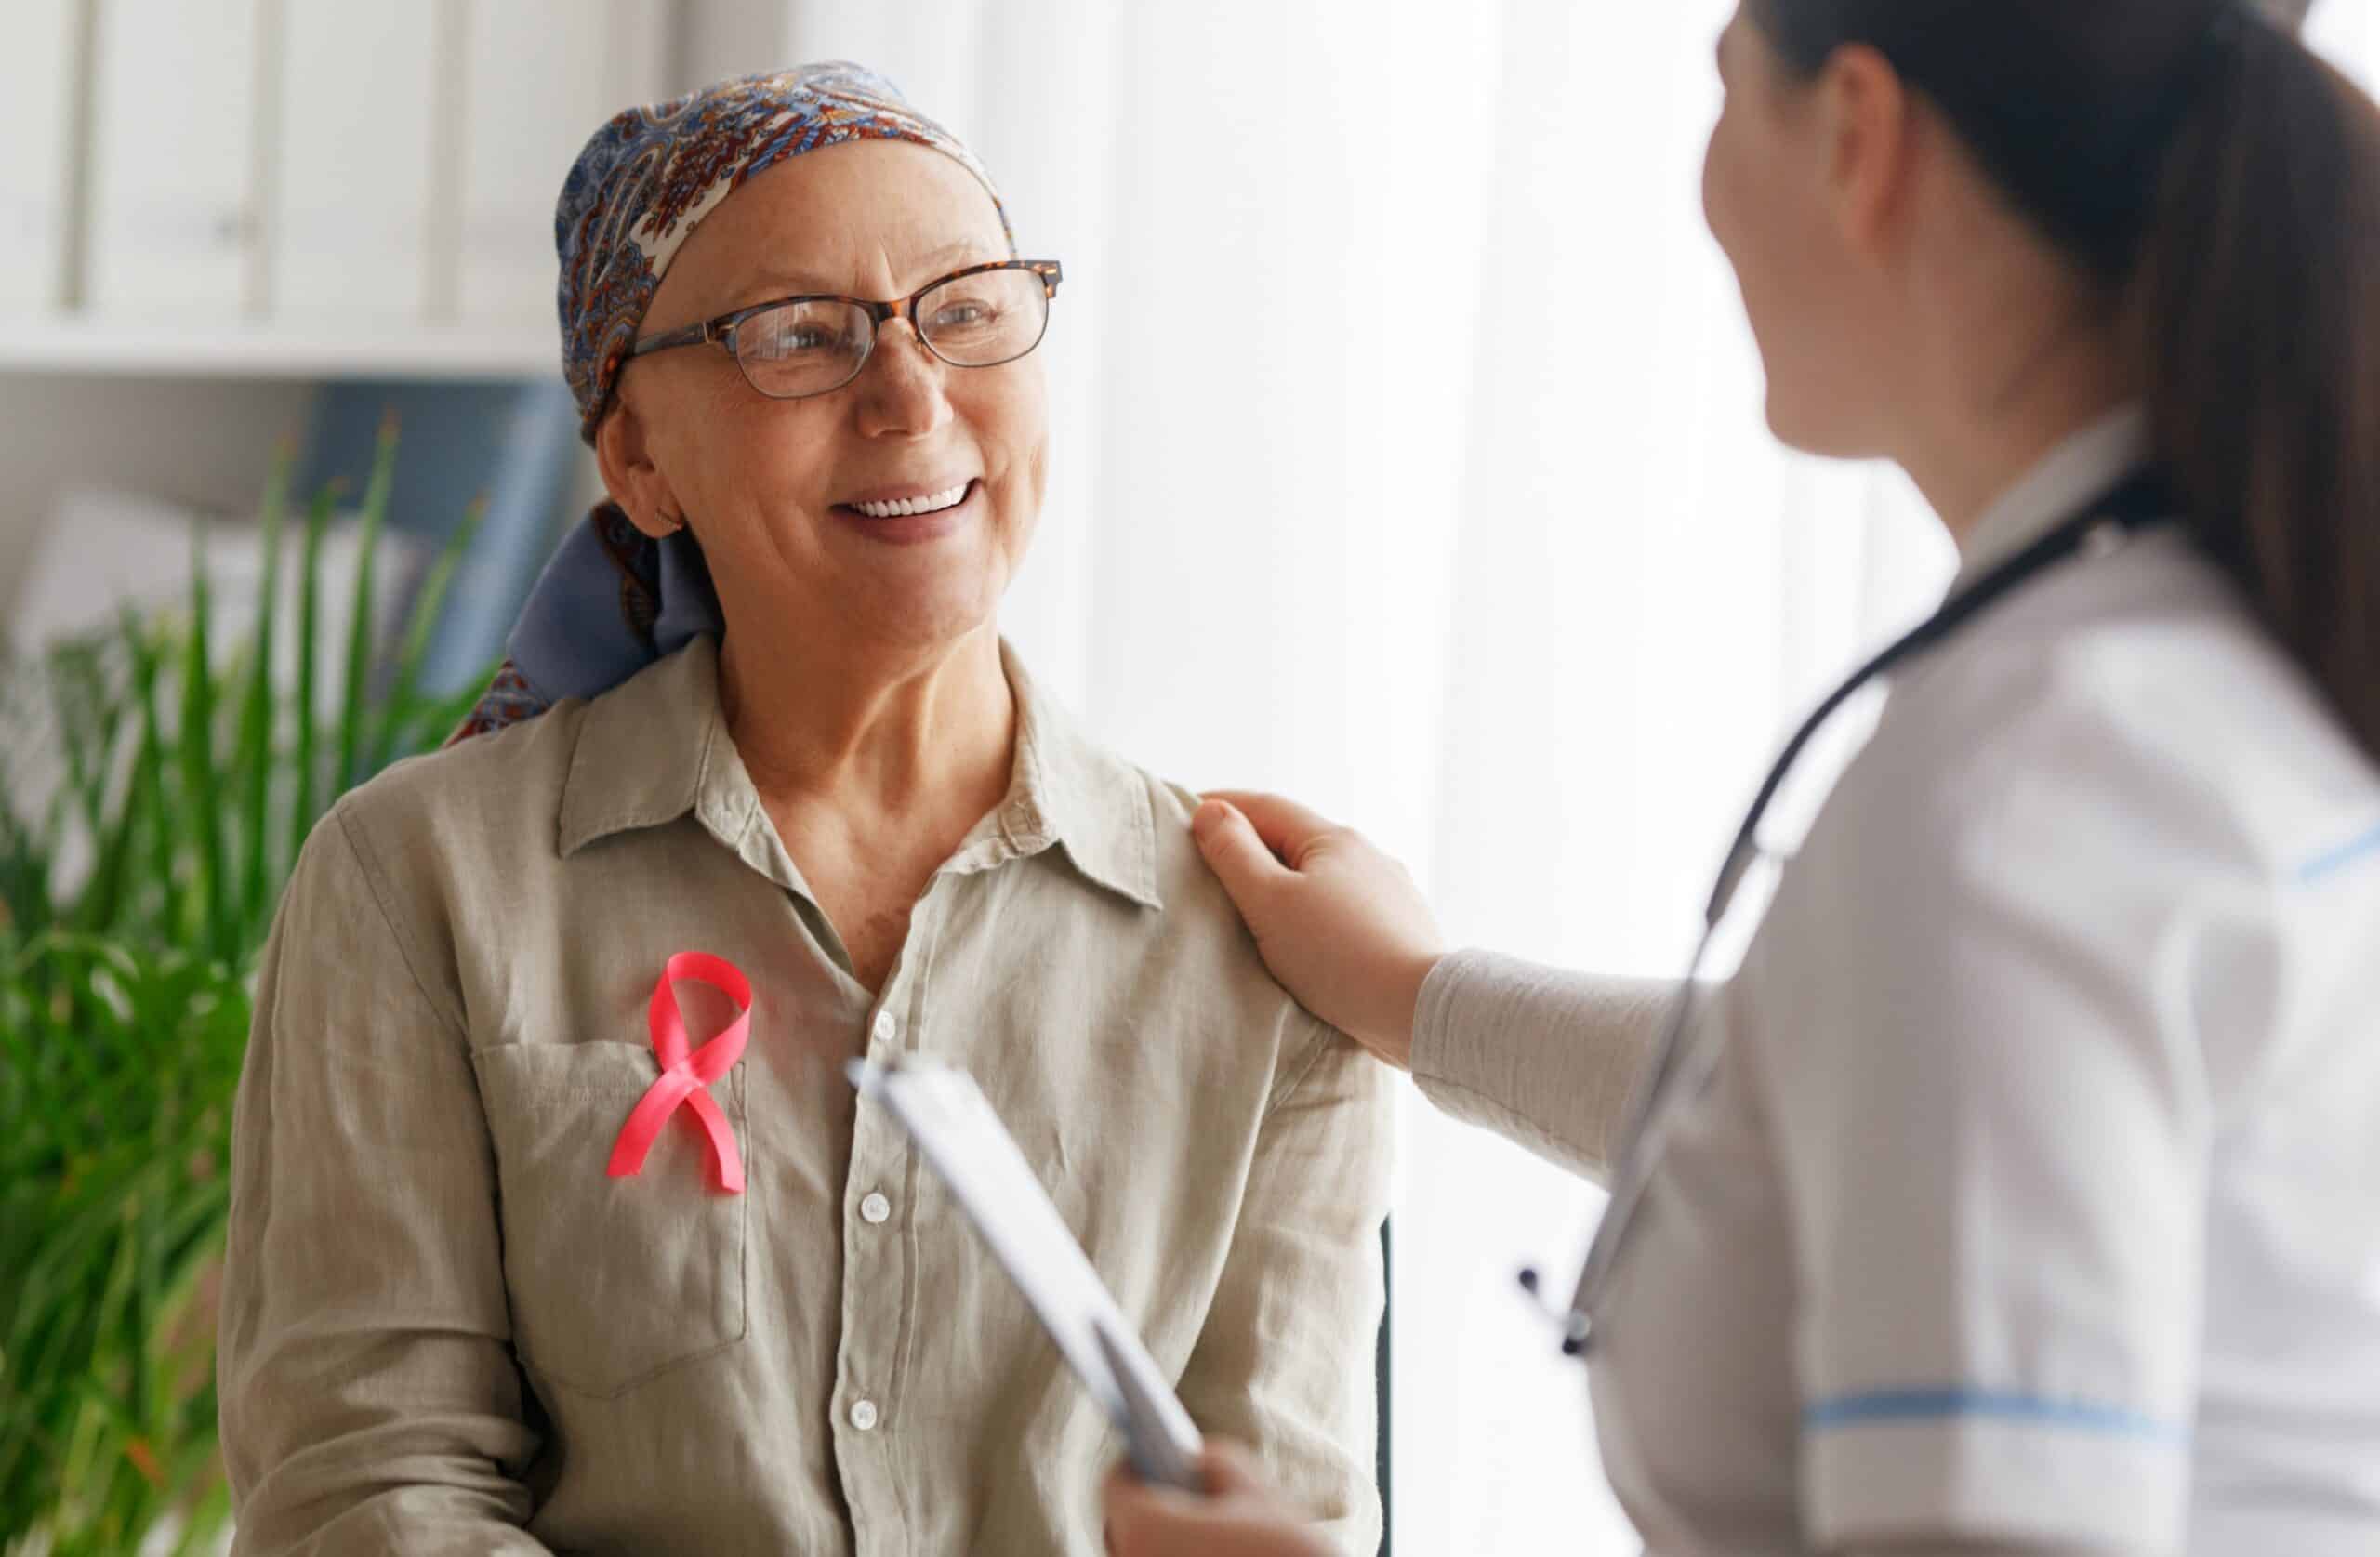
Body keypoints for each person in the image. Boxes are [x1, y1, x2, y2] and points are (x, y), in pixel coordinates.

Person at [1108, 1, 2380, 1553]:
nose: (1699, 188)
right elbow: (1849, 1081)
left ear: (1859, 136)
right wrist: (1421, 999)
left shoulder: (2017, 807)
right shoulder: (2216, 674)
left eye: (1723, 95)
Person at [217, 64, 1391, 1556]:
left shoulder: (1277, 956)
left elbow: (1281, 1511)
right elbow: (374, 1496)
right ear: (639, 457)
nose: (909, 394)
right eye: (797, 337)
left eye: (964, 308)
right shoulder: (422, 881)